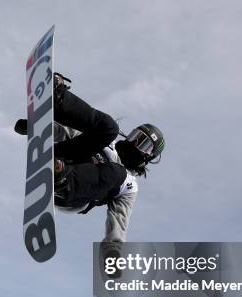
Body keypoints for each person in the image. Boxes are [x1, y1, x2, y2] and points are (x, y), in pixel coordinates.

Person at [15, 73, 164, 266]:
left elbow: (119, 220)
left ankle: (60, 178)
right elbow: (68, 132)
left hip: (72, 192)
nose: (135, 144)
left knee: (118, 173)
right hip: (63, 159)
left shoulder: (129, 185)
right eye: (136, 136)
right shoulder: (109, 141)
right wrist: (36, 127)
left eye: (143, 145)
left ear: (147, 156)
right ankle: (59, 98)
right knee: (109, 127)